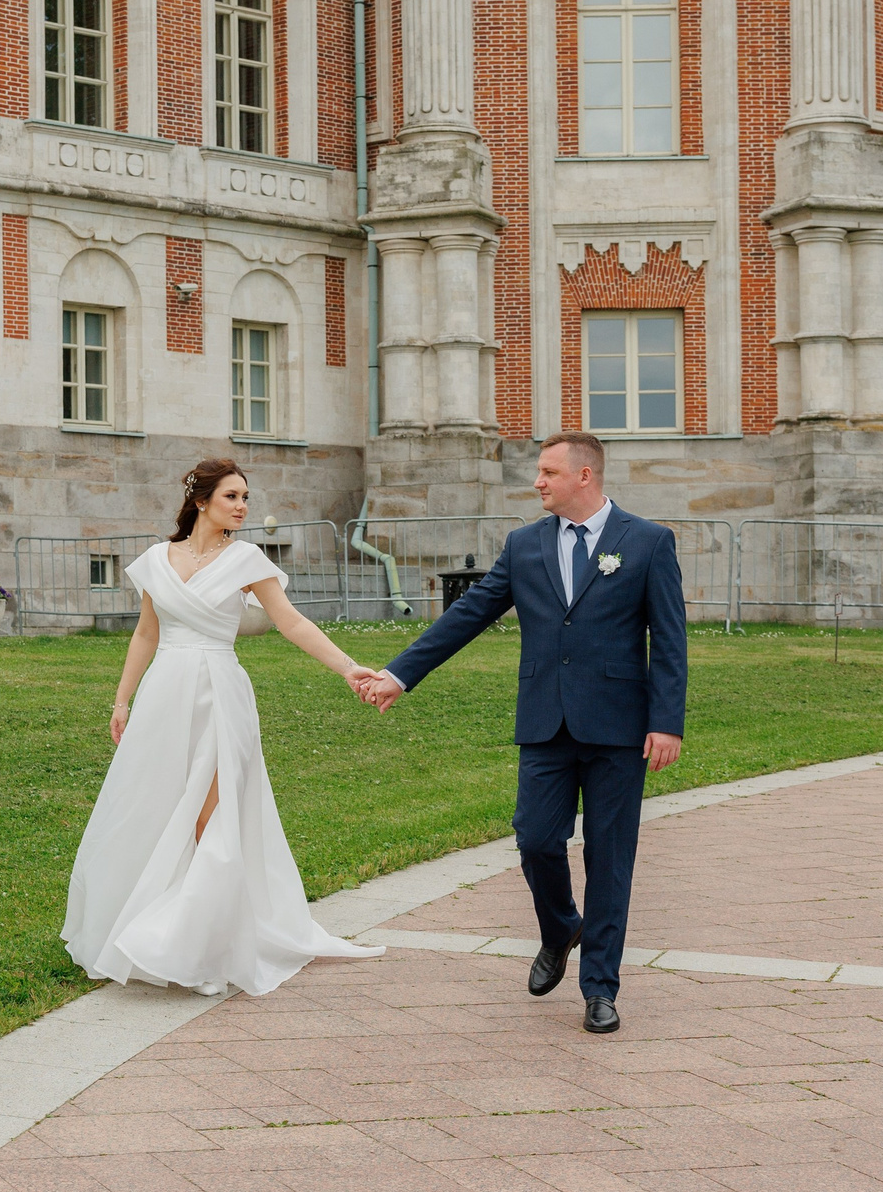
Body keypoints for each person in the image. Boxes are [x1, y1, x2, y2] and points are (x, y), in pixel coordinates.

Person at [353, 431, 687, 1034]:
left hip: (619, 726)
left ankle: (600, 988)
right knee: (535, 839)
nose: (538, 482)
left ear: (584, 476)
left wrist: (666, 722)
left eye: (548, 472)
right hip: (544, 722)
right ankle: (560, 926)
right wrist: (401, 675)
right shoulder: (525, 544)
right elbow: (469, 614)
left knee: (611, 859)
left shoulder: (648, 542)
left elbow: (668, 640)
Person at [63, 458, 389, 997]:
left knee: (212, 815)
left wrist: (348, 666)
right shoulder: (154, 560)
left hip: (220, 691)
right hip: (165, 692)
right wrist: (122, 701)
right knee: (156, 804)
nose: (241, 507)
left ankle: (202, 943)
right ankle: (145, 922)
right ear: (201, 500)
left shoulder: (247, 559)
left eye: (245, 498)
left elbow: (291, 621)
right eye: (232, 497)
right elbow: (146, 633)